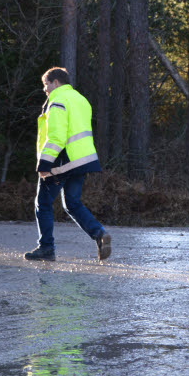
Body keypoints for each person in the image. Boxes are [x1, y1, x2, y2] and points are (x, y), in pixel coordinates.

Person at [24, 67, 112, 262]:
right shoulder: (81, 100)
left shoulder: (58, 101)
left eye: (46, 84)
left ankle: (46, 248)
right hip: (82, 160)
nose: (44, 89)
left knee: (43, 203)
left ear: (56, 82)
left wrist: (45, 163)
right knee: (72, 203)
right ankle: (99, 234)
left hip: (62, 161)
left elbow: (57, 136)